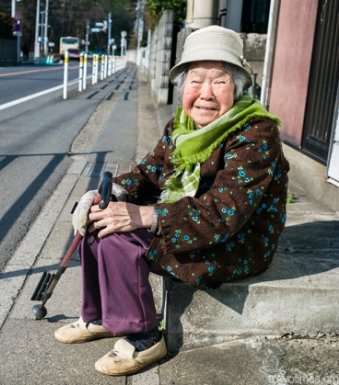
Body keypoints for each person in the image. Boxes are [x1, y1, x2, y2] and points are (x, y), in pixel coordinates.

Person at [54, 25, 290, 376]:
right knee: (98, 219)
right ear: (182, 87)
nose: (205, 93)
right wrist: (109, 194)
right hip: (192, 220)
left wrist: (145, 215)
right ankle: (104, 316)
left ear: (238, 87)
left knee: (120, 239)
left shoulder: (255, 132)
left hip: (236, 239)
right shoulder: (181, 125)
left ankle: (144, 336)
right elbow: (148, 174)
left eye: (219, 81)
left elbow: (226, 212)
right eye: (195, 80)